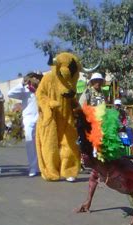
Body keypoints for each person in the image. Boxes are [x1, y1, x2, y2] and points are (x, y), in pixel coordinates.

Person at [35, 52, 82, 182]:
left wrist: (76, 106)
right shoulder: (48, 79)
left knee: (70, 143)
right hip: (51, 117)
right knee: (50, 146)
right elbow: (40, 95)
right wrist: (49, 104)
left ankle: (69, 171)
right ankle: (51, 171)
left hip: (67, 117)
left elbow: (71, 97)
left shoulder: (71, 81)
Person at [7, 71, 43, 176]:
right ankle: (33, 167)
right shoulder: (25, 89)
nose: (35, 79)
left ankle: (42, 167)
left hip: (42, 118)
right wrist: (22, 83)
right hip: (29, 119)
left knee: (41, 143)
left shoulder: (43, 89)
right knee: (30, 142)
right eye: (33, 77)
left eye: (37, 77)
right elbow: (10, 94)